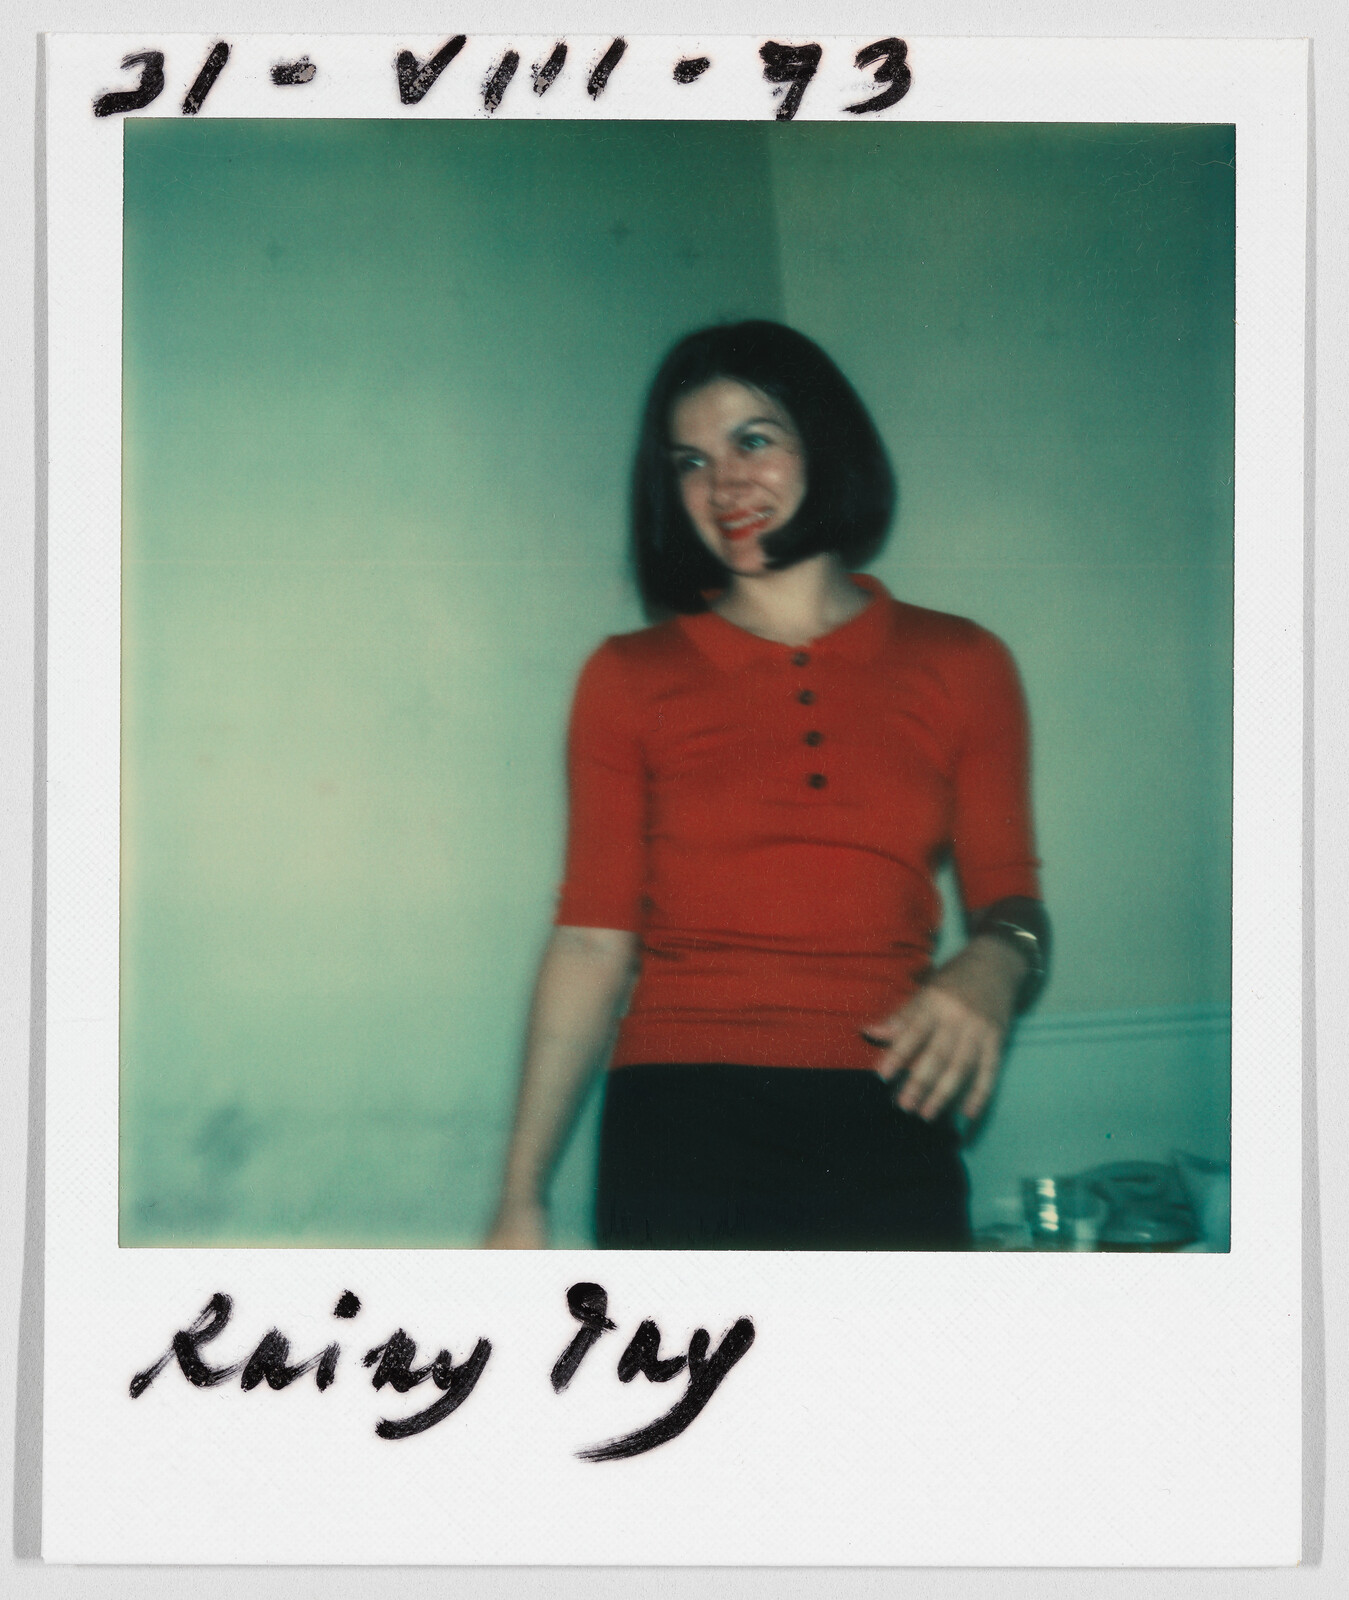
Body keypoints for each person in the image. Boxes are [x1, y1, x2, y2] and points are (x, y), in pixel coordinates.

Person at [486, 320, 1047, 1251]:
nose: (725, 485)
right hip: (678, 1124)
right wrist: (521, 1196)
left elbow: (1014, 902)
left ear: (824, 442)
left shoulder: (964, 661)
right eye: (690, 462)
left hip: (892, 1104)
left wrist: (995, 961)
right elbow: (590, 940)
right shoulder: (626, 676)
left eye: (753, 439)